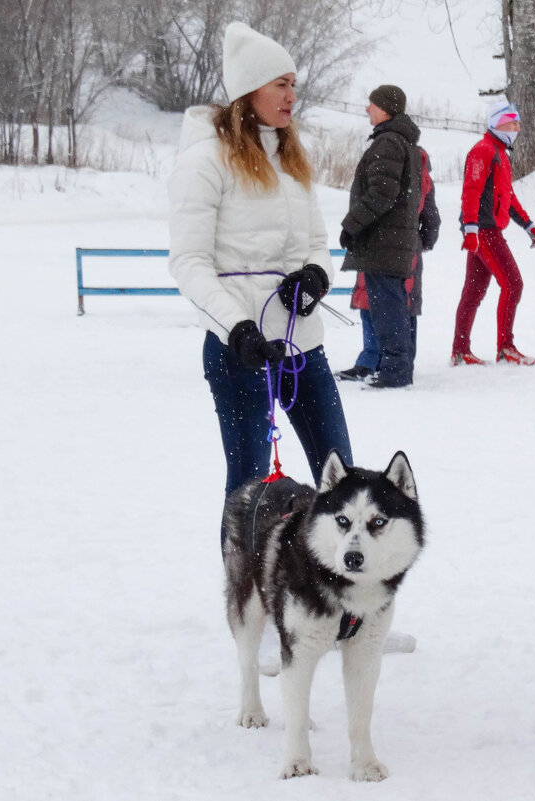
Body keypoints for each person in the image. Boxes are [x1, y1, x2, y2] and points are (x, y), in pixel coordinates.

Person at [168, 22, 352, 537]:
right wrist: (238, 328)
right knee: (248, 490)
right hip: (239, 352)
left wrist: (315, 275)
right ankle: (246, 599)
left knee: (340, 481)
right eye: (281, 84)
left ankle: (336, 598)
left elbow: (317, 241)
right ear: (249, 90)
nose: (293, 95)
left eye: (294, 83)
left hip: (302, 348)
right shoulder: (205, 160)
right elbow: (188, 261)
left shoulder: (293, 159)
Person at [339, 85, 422, 389]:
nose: (367, 109)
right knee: (392, 305)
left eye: (371, 104)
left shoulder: (388, 143)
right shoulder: (402, 142)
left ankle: (395, 372)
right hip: (393, 240)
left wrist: (352, 225)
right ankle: (396, 368)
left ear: (385, 109)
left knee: (387, 308)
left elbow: (381, 195)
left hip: (383, 241)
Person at [336, 146, 440, 382]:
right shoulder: (422, 178)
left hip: (376, 241)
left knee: (372, 299)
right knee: (404, 301)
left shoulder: (382, 169)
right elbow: (431, 217)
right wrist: (421, 241)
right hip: (405, 246)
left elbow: (367, 202)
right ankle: (400, 359)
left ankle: (371, 360)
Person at [451, 100, 535, 366]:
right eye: (513, 122)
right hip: (483, 231)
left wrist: (528, 226)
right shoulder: (483, 151)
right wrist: (470, 229)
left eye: (518, 122)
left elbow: (507, 197)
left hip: (487, 229)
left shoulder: (500, 153)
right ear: (498, 122)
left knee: (474, 290)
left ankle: (460, 351)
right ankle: (505, 348)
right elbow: (471, 190)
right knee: (513, 284)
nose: (518, 126)